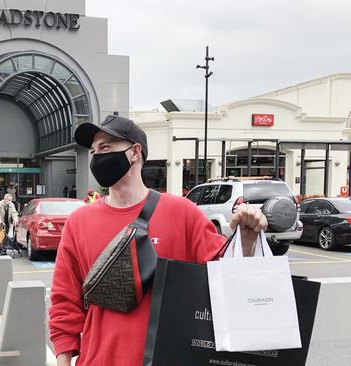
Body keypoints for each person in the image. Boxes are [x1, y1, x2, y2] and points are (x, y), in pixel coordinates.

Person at [48, 115, 267, 366]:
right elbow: (65, 300)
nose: (97, 157)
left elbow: (225, 277)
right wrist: (63, 359)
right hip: (99, 359)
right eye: (93, 151)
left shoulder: (182, 213)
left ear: (135, 152)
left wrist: (247, 241)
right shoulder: (79, 222)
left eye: (106, 147)